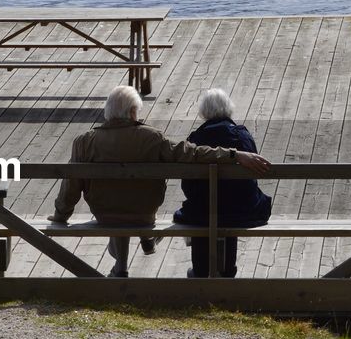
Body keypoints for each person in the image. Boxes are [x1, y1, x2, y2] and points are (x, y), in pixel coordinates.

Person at [50, 84, 272, 276]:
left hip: (104, 212)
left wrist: (61, 214)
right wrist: (234, 154)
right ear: (134, 112)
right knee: (131, 199)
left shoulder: (84, 141)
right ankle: (145, 239)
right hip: (143, 214)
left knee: (115, 200)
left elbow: (71, 185)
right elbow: (192, 153)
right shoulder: (152, 138)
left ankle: (121, 267)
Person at [173, 88, 272, 277]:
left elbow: (188, 185)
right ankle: (227, 271)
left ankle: (201, 271)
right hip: (242, 211)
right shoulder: (241, 136)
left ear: (204, 112)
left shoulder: (196, 139)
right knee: (234, 202)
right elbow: (252, 177)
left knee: (202, 209)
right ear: (228, 109)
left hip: (203, 212)